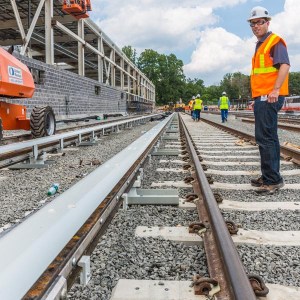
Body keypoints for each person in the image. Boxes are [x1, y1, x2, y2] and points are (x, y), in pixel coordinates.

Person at [247, 6, 290, 195]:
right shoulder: (260, 44)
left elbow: (285, 66)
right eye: (253, 23)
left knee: (267, 138)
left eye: (259, 22)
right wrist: (256, 98)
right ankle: (268, 176)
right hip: (262, 97)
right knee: (265, 137)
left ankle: (273, 180)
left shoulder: (274, 41)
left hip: (270, 97)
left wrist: (276, 89)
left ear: (267, 23)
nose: (256, 26)